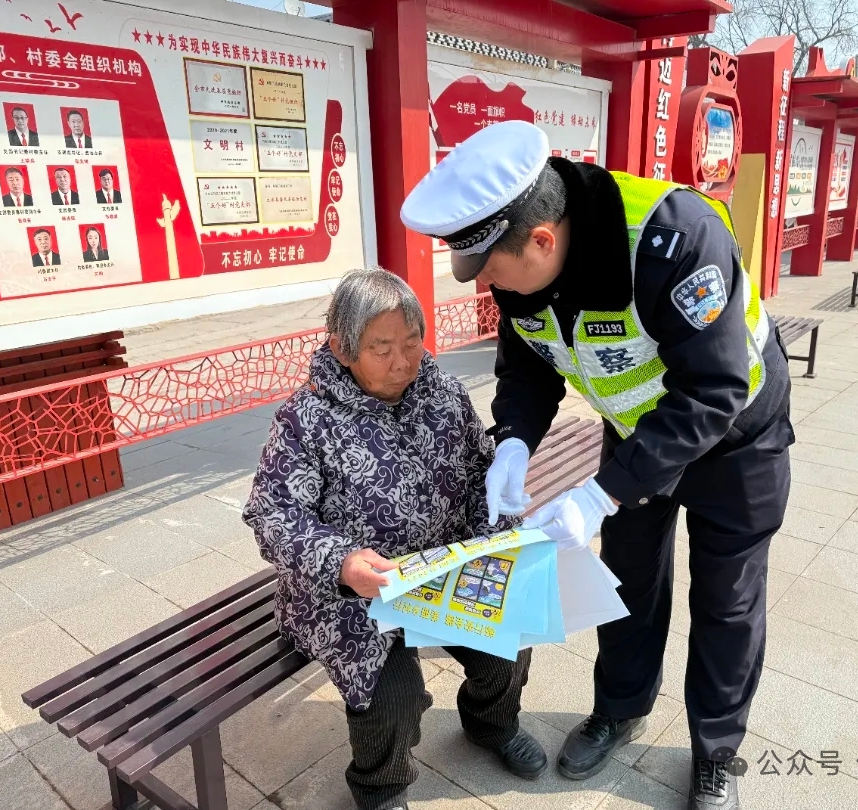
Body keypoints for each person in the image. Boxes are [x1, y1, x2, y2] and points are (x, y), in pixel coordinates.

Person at [400, 121, 794, 810]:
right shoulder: (520, 266)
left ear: (544, 239)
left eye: (490, 267)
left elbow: (715, 389)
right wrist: (514, 440)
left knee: (727, 604)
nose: (485, 283)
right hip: (637, 432)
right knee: (628, 582)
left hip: (736, 438)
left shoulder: (674, 237)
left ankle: (716, 753)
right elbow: (526, 363)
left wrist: (600, 493)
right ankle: (619, 708)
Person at [242, 268, 546, 810]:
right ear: (342, 347)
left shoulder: (443, 391)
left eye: (412, 342)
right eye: (382, 348)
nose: (403, 362)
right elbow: (273, 514)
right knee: (393, 693)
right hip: (352, 591)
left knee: (510, 633)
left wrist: (497, 535)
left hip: (440, 569)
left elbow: (481, 475)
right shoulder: (305, 419)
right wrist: (342, 563)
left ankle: (490, 724)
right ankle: (380, 786)